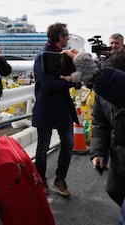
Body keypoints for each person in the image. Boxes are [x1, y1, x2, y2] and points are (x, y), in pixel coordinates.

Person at [32, 22, 80, 197]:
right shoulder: (42, 56)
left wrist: (73, 79)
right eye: (67, 35)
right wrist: (69, 80)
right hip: (46, 107)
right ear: (60, 37)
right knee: (42, 148)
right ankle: (41, 180)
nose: (68, 38)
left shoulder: (64, 54)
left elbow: (74, 79)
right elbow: (48, 84)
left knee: (68, 144)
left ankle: (60, 179)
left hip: (62, 107)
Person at [87, 49, 125, 207]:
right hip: (118, 156)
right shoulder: (101, 93)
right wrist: (98, 152)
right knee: (113, 189)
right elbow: (99, 123)